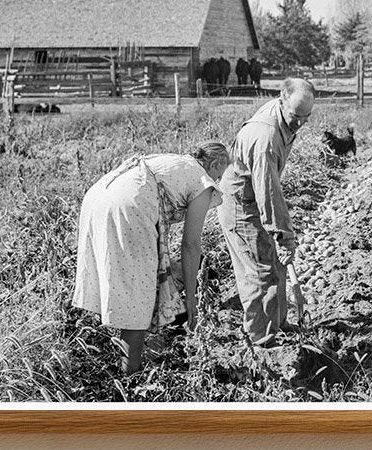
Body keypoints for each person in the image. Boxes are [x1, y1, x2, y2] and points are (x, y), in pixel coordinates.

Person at [72, 142, 231, 374]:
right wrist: (191, 298)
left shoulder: (176, 161)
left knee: (130, 284)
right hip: (129, 209)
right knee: (139, 294)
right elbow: (190, 244)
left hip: (99, 196)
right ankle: (131, 377)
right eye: (220, 173)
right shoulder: (202, 180)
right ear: (216, 164)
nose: (218, 180)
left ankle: (132, 359)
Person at [218, 78, 315, 344]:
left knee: (275, 266)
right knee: (260, 273)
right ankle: (260, 339)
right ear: (281, 99)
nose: (300, 123)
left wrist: (280, 237)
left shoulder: (284, 117)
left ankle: (278, 324)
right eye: (296, 116)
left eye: (306, 117)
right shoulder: (266, 138)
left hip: (254, 197)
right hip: (241, 206)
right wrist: (284, 235)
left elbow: (267, 190)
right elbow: (267, 192)